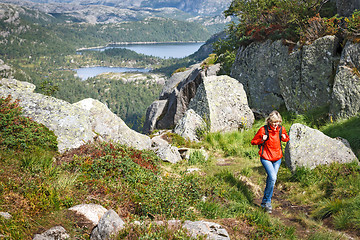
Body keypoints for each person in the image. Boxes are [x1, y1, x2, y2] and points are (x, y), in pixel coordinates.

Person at [251, 110, 289, 213]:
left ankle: (264, 202)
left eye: (277, 122)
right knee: (273, 177)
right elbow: (253, 141)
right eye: (274, 122)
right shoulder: (263, 130)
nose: (276, 124)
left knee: (272, 179)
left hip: (277, 158)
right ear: (269, 121)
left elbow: (286, 138)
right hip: (266, 157)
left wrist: (285, 137)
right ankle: (267, 202)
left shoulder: (281, 129)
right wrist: (262, 140)